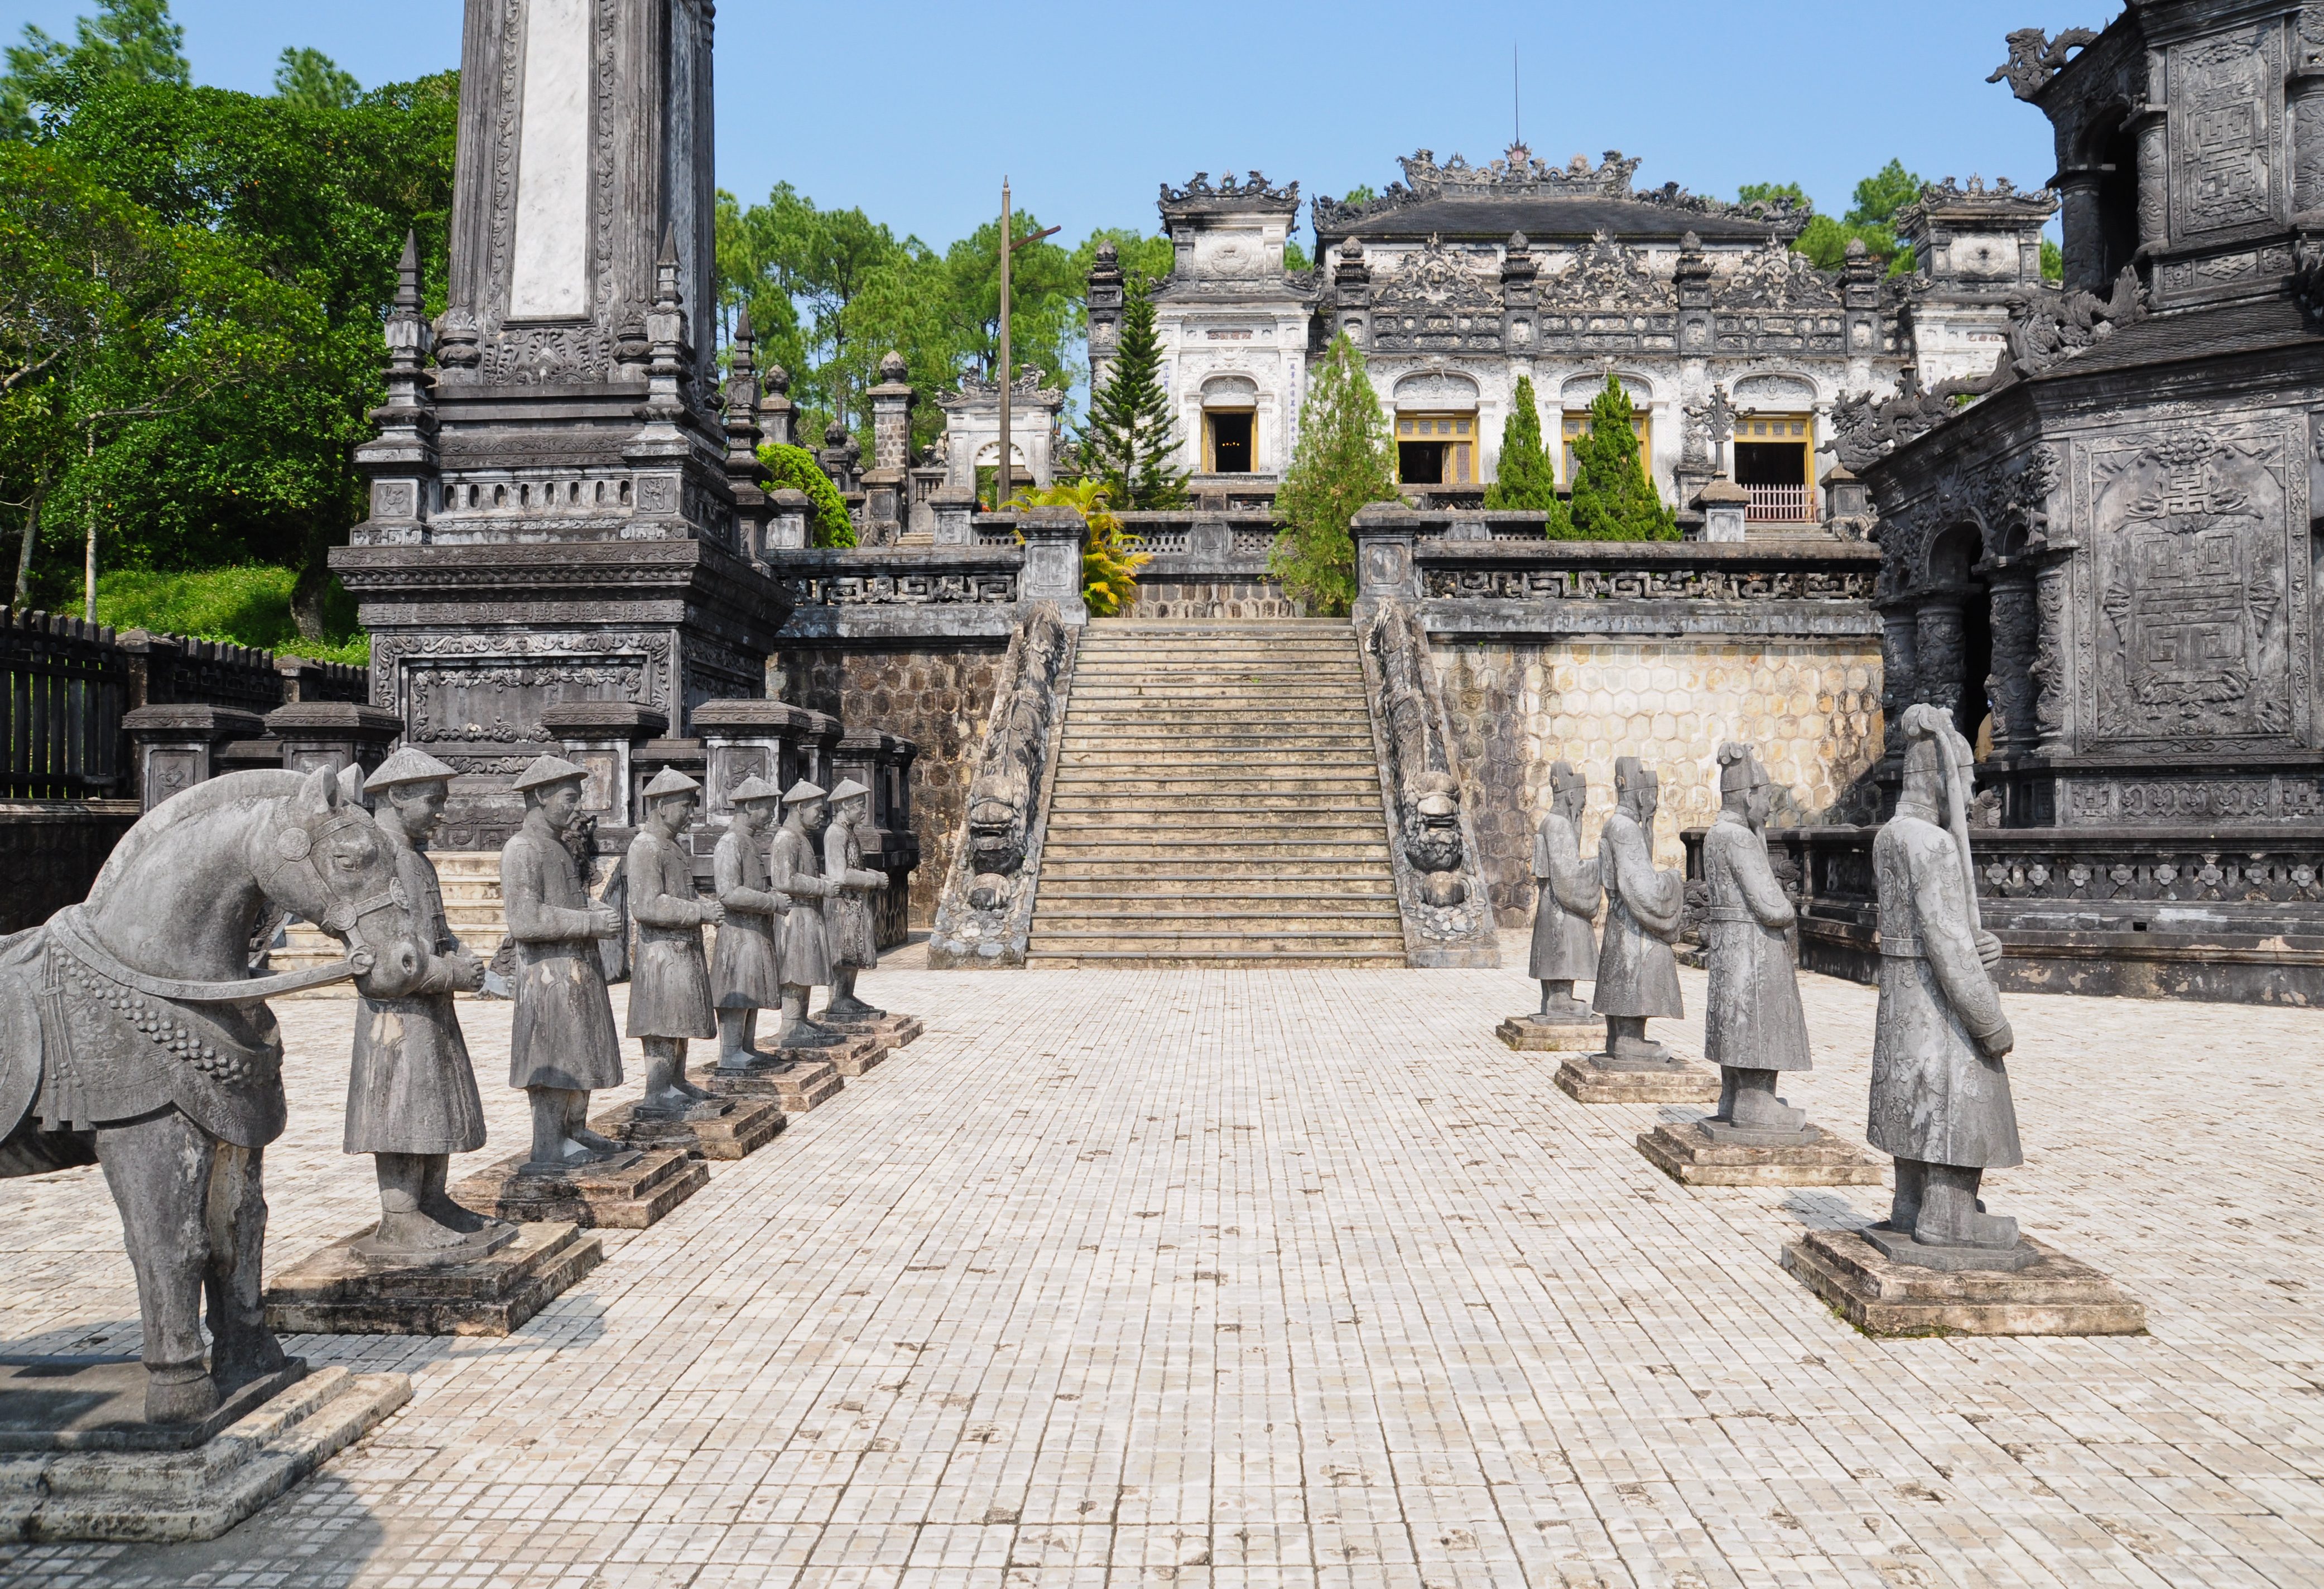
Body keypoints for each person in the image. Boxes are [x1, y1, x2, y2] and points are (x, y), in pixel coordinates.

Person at [1868, 704, 2022, 1255]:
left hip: (1903, 996)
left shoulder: (1891, 835)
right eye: (1965, 779)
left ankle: (1911, 1201)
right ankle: (1950, 1213)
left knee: (1910, 1094)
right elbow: (1950, 949)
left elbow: (1936, 931)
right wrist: (1990, 1022)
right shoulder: (1933, 845)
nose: (1973, 790)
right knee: (1960, 1090)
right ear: (1940, 778)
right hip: (1939, 1004)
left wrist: (1984, 945)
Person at [345, 747, 510, 1256]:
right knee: (400, 1110)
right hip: (397, 1015)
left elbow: (436, 931)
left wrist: (462, 953)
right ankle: (399, 1216)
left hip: (431, 1010)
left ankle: (433, 1201)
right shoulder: (374, 860)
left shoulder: (416, 860)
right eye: (433, 801)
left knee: (434, 1105)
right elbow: (382, 959)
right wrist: (451, 972)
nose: (442, 813)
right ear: (397, 795)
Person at [502, 754, 628, 1173]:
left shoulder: (555, 846)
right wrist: (588, 921)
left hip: (575, 967)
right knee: (553, 1057)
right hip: (548, 974)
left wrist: (588, 907)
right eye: (570, 798)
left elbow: (562, 901)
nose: (577, 808)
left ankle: (574, 1128)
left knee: (581, 1052)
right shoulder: (521, 849)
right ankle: (548, 1142)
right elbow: (525, 920)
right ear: (540, 795)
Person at [1700, 743, 1813, 1135]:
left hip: (1730, 946)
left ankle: (1735, 1095)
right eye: (1764, 795)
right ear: (1748, 796)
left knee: (1736, 1020)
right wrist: (1788, 908)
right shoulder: (1739, 838)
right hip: (1752, 948)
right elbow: (1770, 907)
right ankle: (1756, 1103)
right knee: (1756, 1023)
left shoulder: (1718, 833)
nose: (1768, 805)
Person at [624, 767, 724, 1117]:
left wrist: (699, 907)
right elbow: (647, 905)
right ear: (663, 805)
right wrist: (697, 912)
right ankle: (657, 1089)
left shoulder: (671, 846)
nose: (690, 814)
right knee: (662, 1023)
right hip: (661, 951)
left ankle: (675, 1081)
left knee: (679, 1019)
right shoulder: (646, 847)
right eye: (685, 806)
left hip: (682, 947)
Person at [1591, 757, 1684, 1063]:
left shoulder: (1621, 825)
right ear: (1643, 795)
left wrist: (1650, 823)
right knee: (1639, 970)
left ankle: (1623, 1037)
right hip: (1632, 926)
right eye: (1652, 794)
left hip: (1622, 921)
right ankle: (1629, 1041)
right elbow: (1643, 891)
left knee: (1625, 976)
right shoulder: (1625, 828)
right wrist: (1672, 880)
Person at [711, 774, 786, 1070]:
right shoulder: (730, 843)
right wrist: (772, 902)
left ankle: (746, 1047)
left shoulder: (748, 842)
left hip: (754, 930)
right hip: (739, 933)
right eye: (767, 808)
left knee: (752, 988)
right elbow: (729, 893)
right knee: (738, 990)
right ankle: (730, 1051)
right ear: (750, 806)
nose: (770, 815)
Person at [769, 780, 840, 1048]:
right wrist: (822, 886)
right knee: (795, 970)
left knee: (805, 968)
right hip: (795, 915)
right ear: (800, 807)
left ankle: (800, 1019)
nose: (821, 815)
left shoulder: (801, 839)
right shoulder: (786, 838)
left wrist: (821, 881)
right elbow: (784, 880)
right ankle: (790, 1022)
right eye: (817, 810)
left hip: (808, 912)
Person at [1526, 761, 1599, 1024]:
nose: (1583, 805)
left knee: (1557, 948)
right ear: (1571, 796)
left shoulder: (1553, 822)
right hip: (1560, 907)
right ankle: (1560, 1001)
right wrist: (1599, 864)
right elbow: (1569, 877)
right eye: (1583, 799)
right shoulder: (1558, 824)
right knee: (1562, 947)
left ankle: (1557, 999)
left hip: (1552, 903)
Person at [822, 778, 890, 1022]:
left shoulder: (848, 832)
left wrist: (873, 874)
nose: (863, 810)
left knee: (854, 952)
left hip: (855, 902)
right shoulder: (835, 833)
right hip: (843, 903)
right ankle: (838, 998)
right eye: (859, 805)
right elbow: (839, 874)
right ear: (845, 806)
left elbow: (854, 866)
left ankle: (846, 996)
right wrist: (873, 881)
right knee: (844, 952)